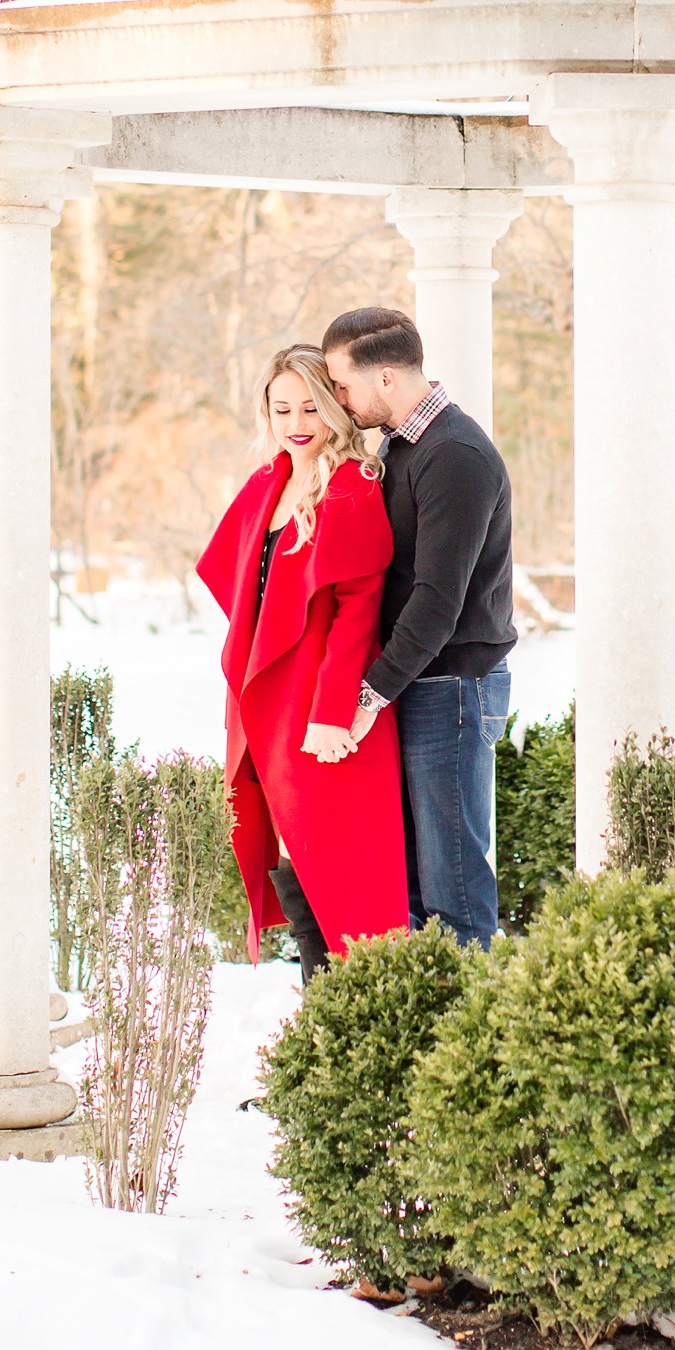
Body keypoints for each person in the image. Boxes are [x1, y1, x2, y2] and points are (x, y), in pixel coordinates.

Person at [196, 343, 409, 974]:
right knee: (289, 849)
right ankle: (322, 1006)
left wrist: (333, 711)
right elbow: (234, 578)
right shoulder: (269, 481)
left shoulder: (352, 485)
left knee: (334, 862)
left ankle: (347, 1004)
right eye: (282, 408)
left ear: (337, 408)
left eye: (311, 408)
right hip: (265, 699)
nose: (296, 424)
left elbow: (358, 610)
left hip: (321, 705)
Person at [323, 307, 515, 949]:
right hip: (419, 683)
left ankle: (473, 1042)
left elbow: (437, 601)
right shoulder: (403, 446)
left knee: (452, 890)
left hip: (451, 689)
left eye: (342, 386)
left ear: (384, 379)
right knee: (408, 887)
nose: (339, 402)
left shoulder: (454, 455)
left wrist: (365, 695)